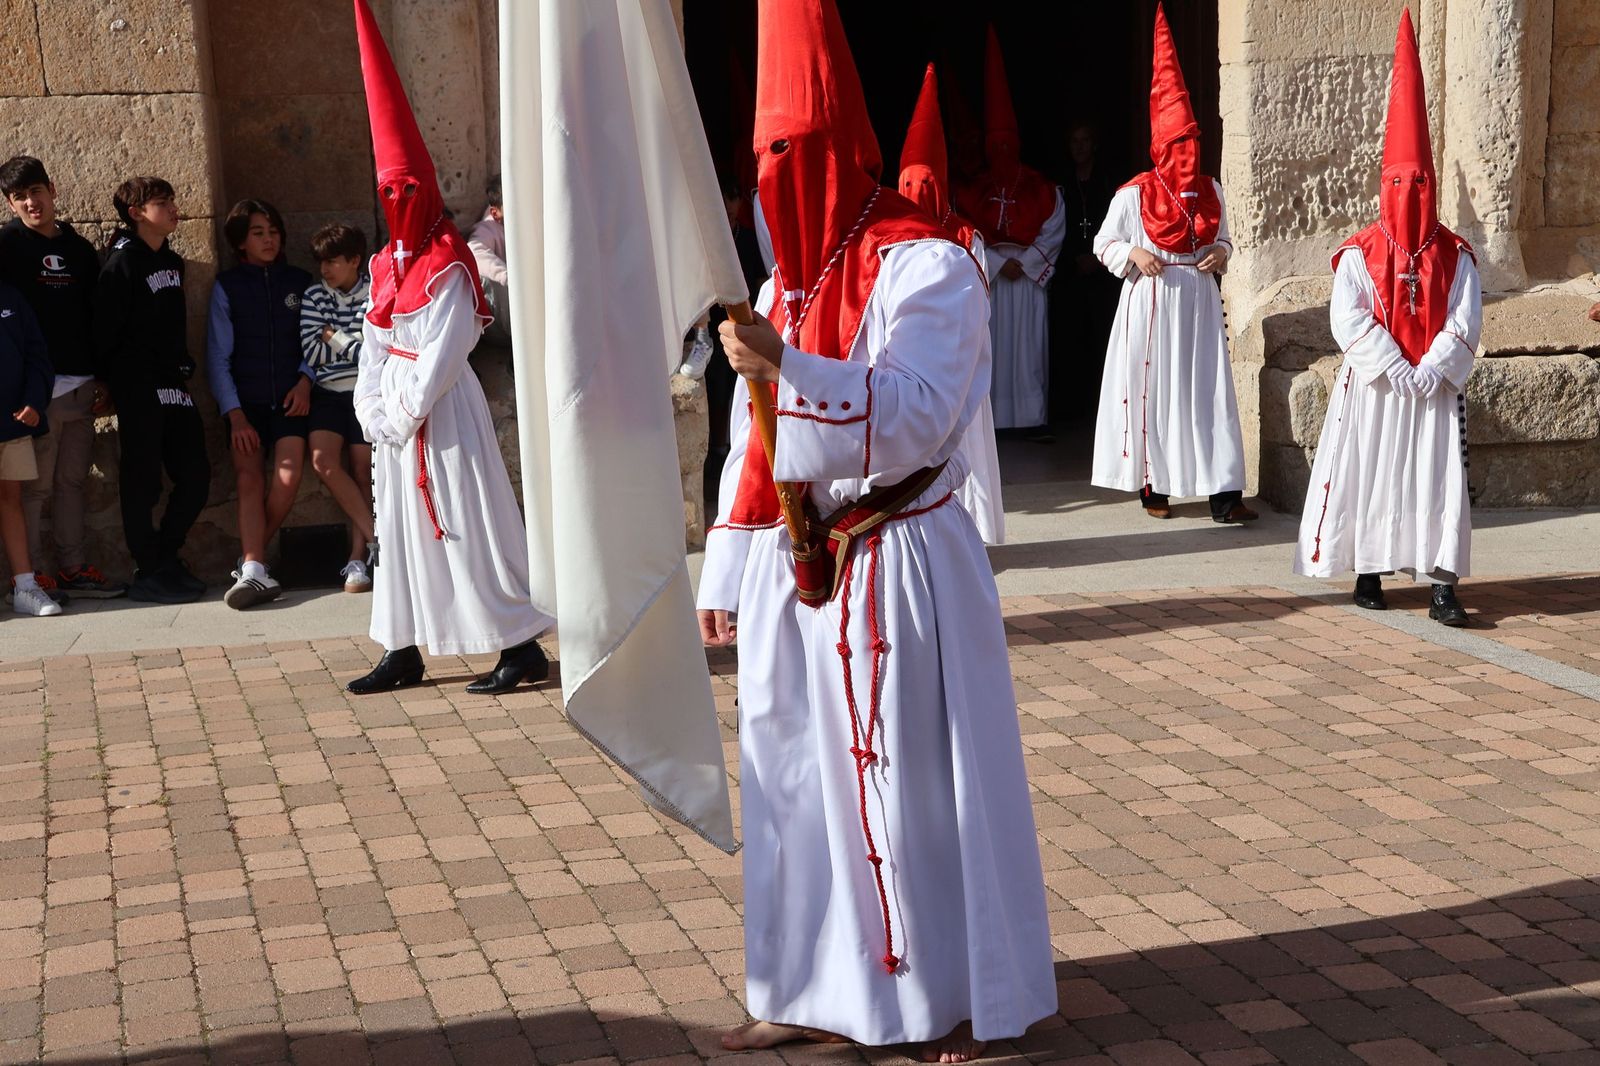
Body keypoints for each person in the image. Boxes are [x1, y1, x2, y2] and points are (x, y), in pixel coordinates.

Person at [701, 1, 1056, 1060]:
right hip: (794, 567)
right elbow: (748, 439)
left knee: (906, 784)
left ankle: (933, 993)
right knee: (791, 781)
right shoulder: (781, 283)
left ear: (843, 150)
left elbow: (914, 413)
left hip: (897, 560)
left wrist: (786, 366)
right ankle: (800, 983)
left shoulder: (927, 264)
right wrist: (727, 561)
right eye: (766, 158)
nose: (779, 177)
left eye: (795, 153)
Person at [345, 0, 552, 696]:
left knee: (466, 520)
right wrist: (370, 406)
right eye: (388, 189)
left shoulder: (449, 260)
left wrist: (398, 411)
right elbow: (375, 340)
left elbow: (443, 348)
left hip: (442, 411)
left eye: (408, 186)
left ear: (426, 187)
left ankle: (519, 643)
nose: (398, 196)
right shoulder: (383, 265)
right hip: (397, 417)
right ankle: (401, 646)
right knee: (399, 530)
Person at [1294, 9, 1478, 627]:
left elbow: (1464, 317)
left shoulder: (1456, 254)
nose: (1412, 192)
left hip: (1432, 388)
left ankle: (1442, 584)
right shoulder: (1357, 253)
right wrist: (1395, 365)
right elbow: (1347, 318)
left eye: (1420, 181)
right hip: (1378, 386)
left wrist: (1431, 370)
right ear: (1384, 183)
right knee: (1370, 472)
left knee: (1437, 480)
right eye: (1401, 181)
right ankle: (1369, 570)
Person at [1090, 5, 1255, 525]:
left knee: (1207, 393)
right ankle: (1153, 484)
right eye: (1179, 144)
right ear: (1162, 146)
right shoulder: (1135, 194)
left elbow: (1225, 239)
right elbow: (1103, 242)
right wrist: (1133, 253)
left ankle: (1222, 494)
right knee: (1156, 391)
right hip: (1153, 300)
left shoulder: (1212, 190)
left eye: (1194, 142)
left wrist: (1221, 253)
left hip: (1200, 302)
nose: (1189, 152)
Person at [0, 155, 126, 600]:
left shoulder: (77, 249)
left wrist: (104, 378)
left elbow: (98, 315)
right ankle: (32, 577)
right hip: (36, 392)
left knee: (73, 482)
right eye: (20, 197)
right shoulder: (6, 247)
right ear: (11, 206)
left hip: (83, 383)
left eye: (36, 191)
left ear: (52, 189)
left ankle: (73, 568)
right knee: (34, 490)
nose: (31, 202)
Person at [898, 61, 1004, 546]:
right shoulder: (887, 237)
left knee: (966, 445)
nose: (917, 194)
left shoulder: (966, 237)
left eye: (926, 183)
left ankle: (974, 530)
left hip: (956, 364)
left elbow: (977, 301)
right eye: (908, 185)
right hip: (906, 364)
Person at [94, 177, 210, 604]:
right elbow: (105, 331)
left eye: (172, 200)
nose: (174, 208)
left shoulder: (173, 262)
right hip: (136, 384)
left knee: (196, 474)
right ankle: (150, 568)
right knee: (141, 481)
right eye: (162, 203)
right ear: (136, 212)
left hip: (173, 382)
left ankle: (165, 557)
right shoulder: (120, 263)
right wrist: (107, 382)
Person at [955, 28, 1065, 440]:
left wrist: (1027, 263)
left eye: (1007, 143)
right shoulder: (972, 189)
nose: (1000, 151)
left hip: (1028, 279)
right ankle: (995, 423)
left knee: (1027, 355)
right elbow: (965, 230)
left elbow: (1053, 226)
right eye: (994, 144)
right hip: (996, 281)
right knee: (994, 352)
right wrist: (1000, 264)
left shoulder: (1040, 186)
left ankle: (1032, 418)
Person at [207, 199, 315, 609]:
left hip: (292, 401)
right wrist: (234, 414)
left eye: (273, 231)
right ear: (240, 242)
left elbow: (318, 340)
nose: (269, 239)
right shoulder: (227, 286)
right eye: (258, 233)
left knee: (287, 479)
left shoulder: (300, 282)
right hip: (244, 404)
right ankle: (255, 568)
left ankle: (250, 562)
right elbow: (217, 356)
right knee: (249, 479)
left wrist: (306, 381)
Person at [300, 222, 375, 593]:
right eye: (322, 262)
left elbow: (370, 354)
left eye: (333, 261)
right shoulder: (314, 295)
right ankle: (377, 537)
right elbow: (311, 353)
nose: (325, 270)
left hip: (365, 391)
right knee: (323, 461)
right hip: (327, 392)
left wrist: (333, 335)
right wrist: (346, 342)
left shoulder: (374, 293)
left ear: (355, 260)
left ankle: (357, 559)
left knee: (363, 472)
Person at [1050, 122, 1120, 421]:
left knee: (1102, 342)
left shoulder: (1108, 181)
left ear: (1094, 144)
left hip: (1103, 274)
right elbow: (1053, 229)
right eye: (1074, 140)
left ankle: (1102, 412)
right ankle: (1072, 412)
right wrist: (1073, 260)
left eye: (1085, 139)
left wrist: (1097, 258)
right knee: (1071, 341)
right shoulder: (1061, 184)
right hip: (1070, 272)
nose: (1079, 146)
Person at [0, 278, 60, 617]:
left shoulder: (12, 297)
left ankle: (25, 586)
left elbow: (38, 357)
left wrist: (34, 400)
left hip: (12, 423)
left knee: (11, 499)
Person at [465, 173, 512, 347]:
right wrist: (508, 277)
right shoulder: (489, 228)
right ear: (496, 213)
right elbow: (475, 253)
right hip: (501, 326)